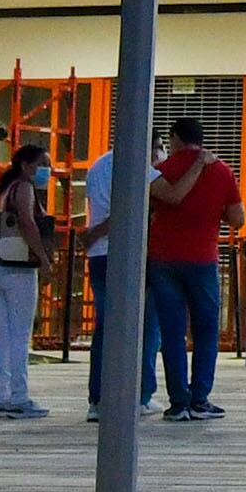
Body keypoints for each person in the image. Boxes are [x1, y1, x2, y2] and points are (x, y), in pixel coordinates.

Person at [143, 118, 240, 423]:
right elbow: (238, 218)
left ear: (174, 139)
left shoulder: (161, 171)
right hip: (202, 259)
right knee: (206, 330)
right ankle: (200, 398)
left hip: (163, 259)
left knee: (171, 332)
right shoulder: (221, 171)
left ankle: (177, 402)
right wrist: (214, 210)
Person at [83, 132, 155, 423]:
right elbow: (133, 208)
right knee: (145, 325)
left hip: (99, 255)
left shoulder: (97, 167)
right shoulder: (138, 165)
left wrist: (92, 235)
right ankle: (140, 393)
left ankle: (98, 397)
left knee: (105, 326)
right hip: (130, 253)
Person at [0, 142, 52, 421]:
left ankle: (4, 396)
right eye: (42, 165)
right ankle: (19, 396)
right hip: (20, 268)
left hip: (0, 264)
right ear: (26, 166)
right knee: (21, 335)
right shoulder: (24, 188)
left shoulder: (6, 189)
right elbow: (27, 221)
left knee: (6, 334)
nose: (47, 170)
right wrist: (44, 258)